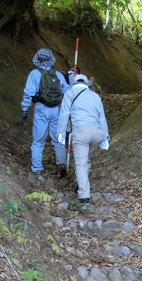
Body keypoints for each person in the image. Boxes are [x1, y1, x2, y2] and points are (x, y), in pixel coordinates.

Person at [57, 74, 109, 205]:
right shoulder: (95, 96)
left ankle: (84, 197)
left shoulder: (70, 93)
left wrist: (61, 134)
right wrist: (106, 137)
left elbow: (64, 114)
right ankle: (80, 183)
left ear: (73, 83)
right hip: (97, 132)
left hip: (81, 131)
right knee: (84, 160)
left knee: (81, 163)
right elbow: (102, 117)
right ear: (87, 84)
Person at [21, 48, 68, 177]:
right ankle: (61, 164)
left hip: (41, 108)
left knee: (38, 140)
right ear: (51, 59)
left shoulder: (34, 74)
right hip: (56, 110)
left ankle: (37, 168)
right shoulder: (58, 75)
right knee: (58, 139)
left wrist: (25, 109)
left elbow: (28, 93)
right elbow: (66, 92)